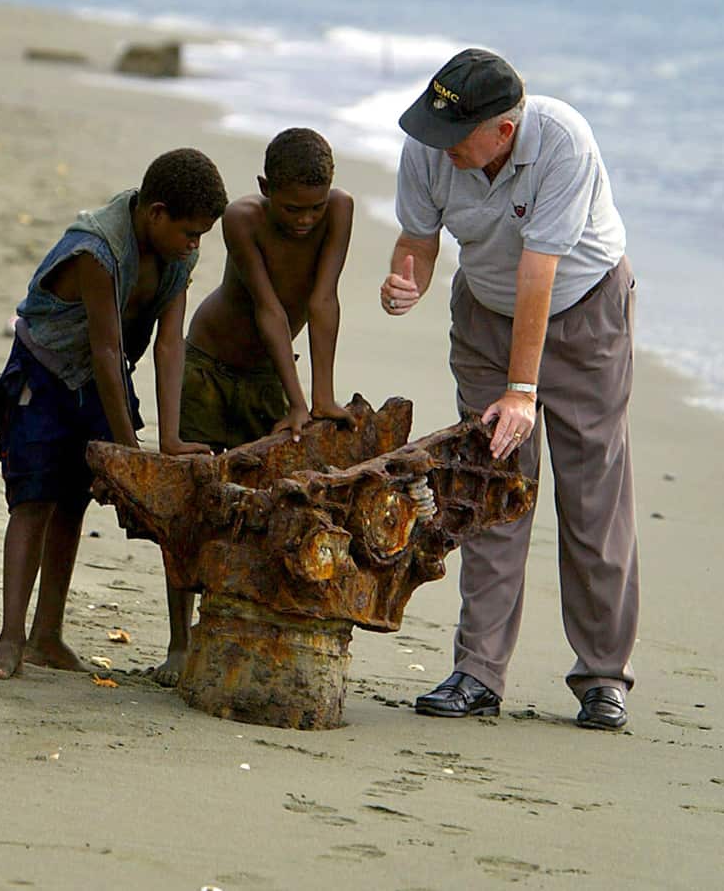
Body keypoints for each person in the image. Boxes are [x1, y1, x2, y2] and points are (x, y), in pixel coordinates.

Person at [381, 49, 638, 731]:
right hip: (487, 318)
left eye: (455, 134)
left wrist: (522, 391)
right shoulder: (430, 144)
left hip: (582, 316)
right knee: (489, 489)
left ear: (503, 128)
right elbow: (420, 235)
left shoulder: (561, 140)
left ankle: (603, 677)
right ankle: (478, 671)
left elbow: (540, 269)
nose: (439, 146)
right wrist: (405, 278)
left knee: (591, 498)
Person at [0, 148, 228, 681]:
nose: (195, 245)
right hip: (45, 373)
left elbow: (168, 345)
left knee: (73, 502)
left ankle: (47, 636)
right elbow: (106, 349)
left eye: (202, 236)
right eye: (188, 233)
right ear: (155, 213)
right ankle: (9, 639)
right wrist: (128, 445)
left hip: (102, 379)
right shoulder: (97, 249)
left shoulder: (179, 257)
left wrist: (170, 439)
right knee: (33, 500)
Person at [151, 127, 354, 685]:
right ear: (265, 189)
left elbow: (322, 298)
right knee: (192, 501)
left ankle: (228, 631)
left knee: (259, 504)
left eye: (314, 206)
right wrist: (296, 400)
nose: (305, 219)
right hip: (210, 368)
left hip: (269, 371)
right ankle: (177, 642)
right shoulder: (243, 219)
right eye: (291, 207)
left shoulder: (340, 210)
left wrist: (321, 399)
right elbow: (268, 308)